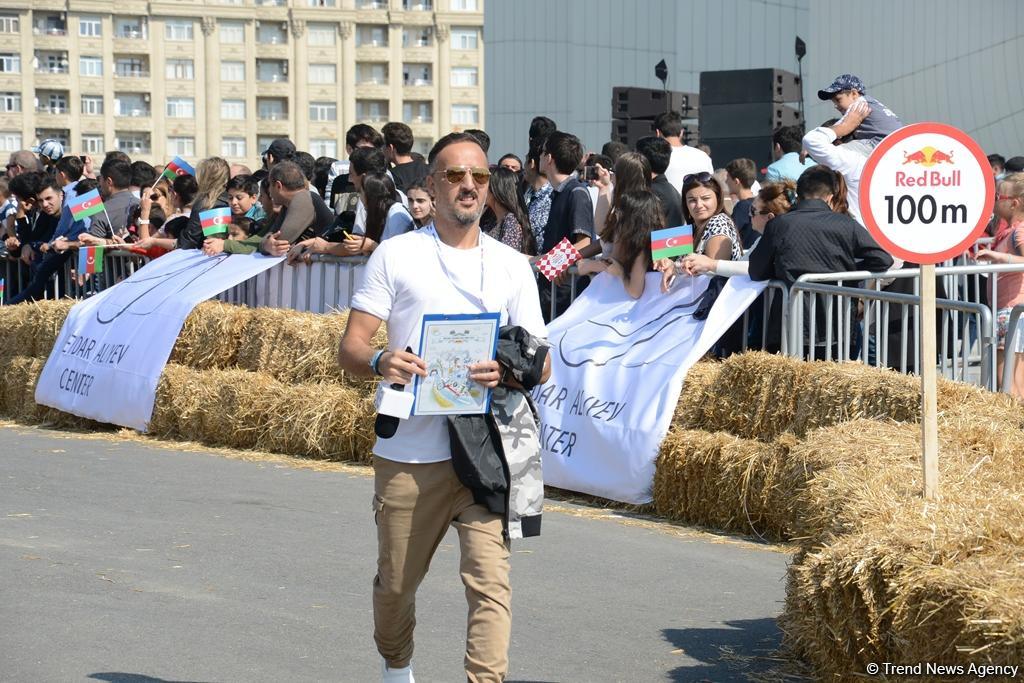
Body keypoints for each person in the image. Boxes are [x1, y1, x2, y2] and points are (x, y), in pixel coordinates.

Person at [337, 131, 549, 683]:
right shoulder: (398, 253)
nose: (469, 186)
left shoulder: (510, 265)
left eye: (479, 177)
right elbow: (351, 348)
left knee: (490, 584)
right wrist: (384, 358)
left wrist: (506, 370)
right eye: (456, 176)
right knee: (396, 585)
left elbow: (541, 363)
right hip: (411, 452)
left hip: (484, 447)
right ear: (431, 183)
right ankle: (397, 665)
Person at [747, 165, 892, 288]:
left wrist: (781, 272)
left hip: (791, 311)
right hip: (839, 312)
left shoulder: (779, 225)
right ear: (829, 196)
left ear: (799, 193)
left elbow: (756, 271)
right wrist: (845, 274)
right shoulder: (847, 224)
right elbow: (883, 259)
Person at [976, 172, 1024, 398]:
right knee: (1015, 382)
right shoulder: (1011, 232)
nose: (994, 201)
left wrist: (998, 257)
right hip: (1012, 311)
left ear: (1013, 203)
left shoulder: (1019, 231)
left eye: (998, 197)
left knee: (1006, 383)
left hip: (1011, 312)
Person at [538, 131, 595, 319]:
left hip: (567, 294)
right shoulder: (560, 192)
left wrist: (556, 262)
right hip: (554, 291)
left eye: (542, 152)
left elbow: (584, 242)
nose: (539, 155)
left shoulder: (576, 192)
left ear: (549, 158)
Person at [577, 190, 660, 299]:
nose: (615, 213)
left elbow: (635, 291)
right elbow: (610, 260)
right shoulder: (626, 234)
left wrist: (620, 272)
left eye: (620, 210)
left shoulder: (643, 245)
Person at [802, 99, 874, 224]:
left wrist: (844, 126)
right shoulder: (871, 160)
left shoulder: (849, 161)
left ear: (837, 142)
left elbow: (811, 140)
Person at [582, 151, 651, 263]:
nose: (611, 175)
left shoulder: (629, 210)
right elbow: (603, 234)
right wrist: (603, 187)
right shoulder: (645, 204)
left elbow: (616, 261)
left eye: (614, 171)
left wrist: (586, 266)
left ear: (623, 178)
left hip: (620, 278)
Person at [258, 161, 337, 256]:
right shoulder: (287, 205)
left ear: (279, 186)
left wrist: (266, 245)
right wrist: (266, 245)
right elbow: (270, 237)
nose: (269, 191)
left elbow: (281, 241)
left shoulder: (303, 198)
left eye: (270, 185)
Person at [817, 74, 903, 144]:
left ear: (854, 94)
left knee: (839, 151)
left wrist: (819, 138)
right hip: (899, 140)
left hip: (881, 142)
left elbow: (841, 125)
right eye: (834, 102)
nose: (835, 106)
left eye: (838, 100)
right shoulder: (872, 102)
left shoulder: (859, 104)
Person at [80, 158, 141, 245]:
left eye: (100, 179)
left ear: (109, 181)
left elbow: (93, 247)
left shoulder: (101, 210)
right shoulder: (140, 204)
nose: (99, 183)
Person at [176, 157, 231, 250]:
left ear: (205, 177)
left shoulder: (206, 203)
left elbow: (189, 241)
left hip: (208, 255)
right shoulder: (231, 198)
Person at [654, 111, 714, 196]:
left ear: (657, 133)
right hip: (697, 206)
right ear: (681, 132)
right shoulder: (702, 156)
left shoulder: (655, 157)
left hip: (665, 207)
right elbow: (711, 186)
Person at [635, 136, 684, 228]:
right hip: (671, 242)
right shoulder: (670, 189)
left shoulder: (651, 193)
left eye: (635, 157)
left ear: (642, 161)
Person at [485, 166, 534, 255]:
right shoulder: (492, 220)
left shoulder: (511, 221)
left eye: (484, 186)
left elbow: (506, 257)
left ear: (495, 189)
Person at [523, 138, 552, 252]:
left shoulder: (552, 196)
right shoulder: (527, 193)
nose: (523, 167)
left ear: (532, 164)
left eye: (526, 161)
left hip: (545, 264)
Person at [382, 122, 429, 193]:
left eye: (384, 145)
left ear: (391, 148)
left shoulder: (391, 176)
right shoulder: (429, 169)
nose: (382, 149)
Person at [724, 158, 758, 249]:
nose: (725, 182)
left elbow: (728, 235)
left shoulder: (742, 206)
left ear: (736, 182)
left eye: (728, 178)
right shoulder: (758, 203)